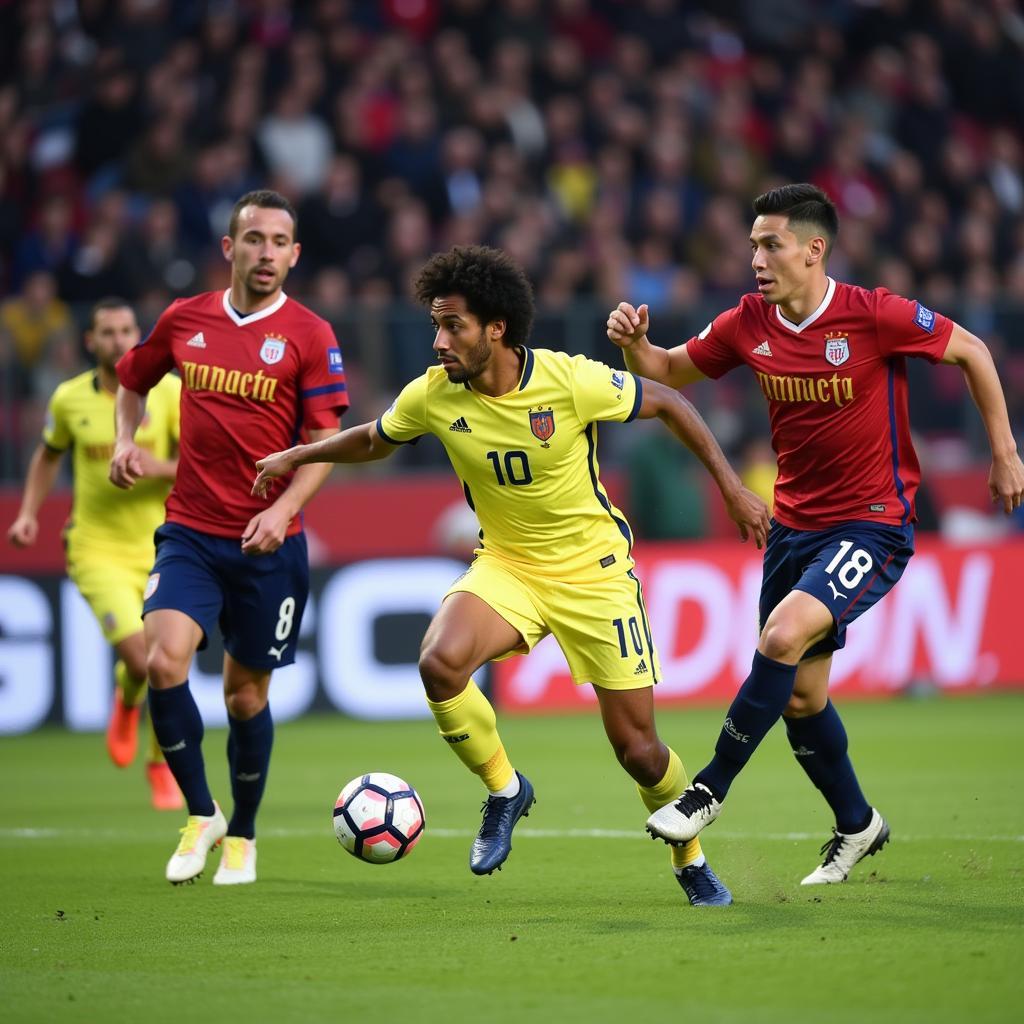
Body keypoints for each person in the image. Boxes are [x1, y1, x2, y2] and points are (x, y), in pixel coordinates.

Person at [253, 245, 769, 906]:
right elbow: (375, 439)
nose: (439, 341)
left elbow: (669, 401)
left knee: (639, 752)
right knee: (440, 663)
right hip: (508, 564)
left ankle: (690, 859)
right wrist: (299, 453)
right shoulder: (434, 396)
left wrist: (730, 490)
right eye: (436, 325)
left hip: (595, 574)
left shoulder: (569, 381)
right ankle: (504, 788)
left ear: (497, 328)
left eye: (454, 326)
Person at [607, 183, 1024, 885]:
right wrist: (635, 345)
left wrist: (1005, 451)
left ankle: (706, 790)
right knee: (800, 699)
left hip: (874, 521)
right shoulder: (748, 321)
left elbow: (974, 351)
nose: (757, 259)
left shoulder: (874, 315)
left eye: (771, 244)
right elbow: (665, 372)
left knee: (779, 638)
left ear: (813, 249)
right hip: (793, 529)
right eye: (752, 246)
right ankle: (858, 824)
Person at [109, 190, 349, 886]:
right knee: (162, 662)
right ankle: (201, 811)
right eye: (254, 239)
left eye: (279, 242)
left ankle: (242, 832)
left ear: (294, 254)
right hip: (189, 530)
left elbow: (325, 443)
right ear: (229, 248)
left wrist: (282, 512)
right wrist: (126, 440)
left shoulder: (310, 334)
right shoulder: (185, 320)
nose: (266, 253)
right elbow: (132, 379)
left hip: (268, 544)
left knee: (245, 697)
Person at [7, 297, 182, 811]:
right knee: (143, 659)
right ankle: (128, 701)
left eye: (128, 329)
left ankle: (159, 763)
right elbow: (46, 455)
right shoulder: (68, 400)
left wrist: (157, 466)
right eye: (107, 332)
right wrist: (28, 514)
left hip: (163, 546)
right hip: (96, 548)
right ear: (90, 341)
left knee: (165, 660)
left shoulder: (169, 393)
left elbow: (196, 462)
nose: (119, 340)